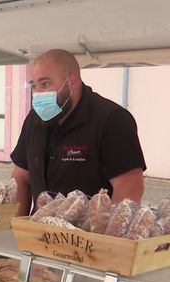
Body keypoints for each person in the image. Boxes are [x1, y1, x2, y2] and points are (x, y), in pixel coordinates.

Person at [11, 49, 147, 215]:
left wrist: (107, 239)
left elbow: (130, 190)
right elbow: (21, 178)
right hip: (37, 235)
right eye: (34, 85)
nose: (38, 93)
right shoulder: (34, 120)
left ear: (72, 81)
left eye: (45, 83)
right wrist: (15, 228)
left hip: (87, 238)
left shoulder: (111, 120)